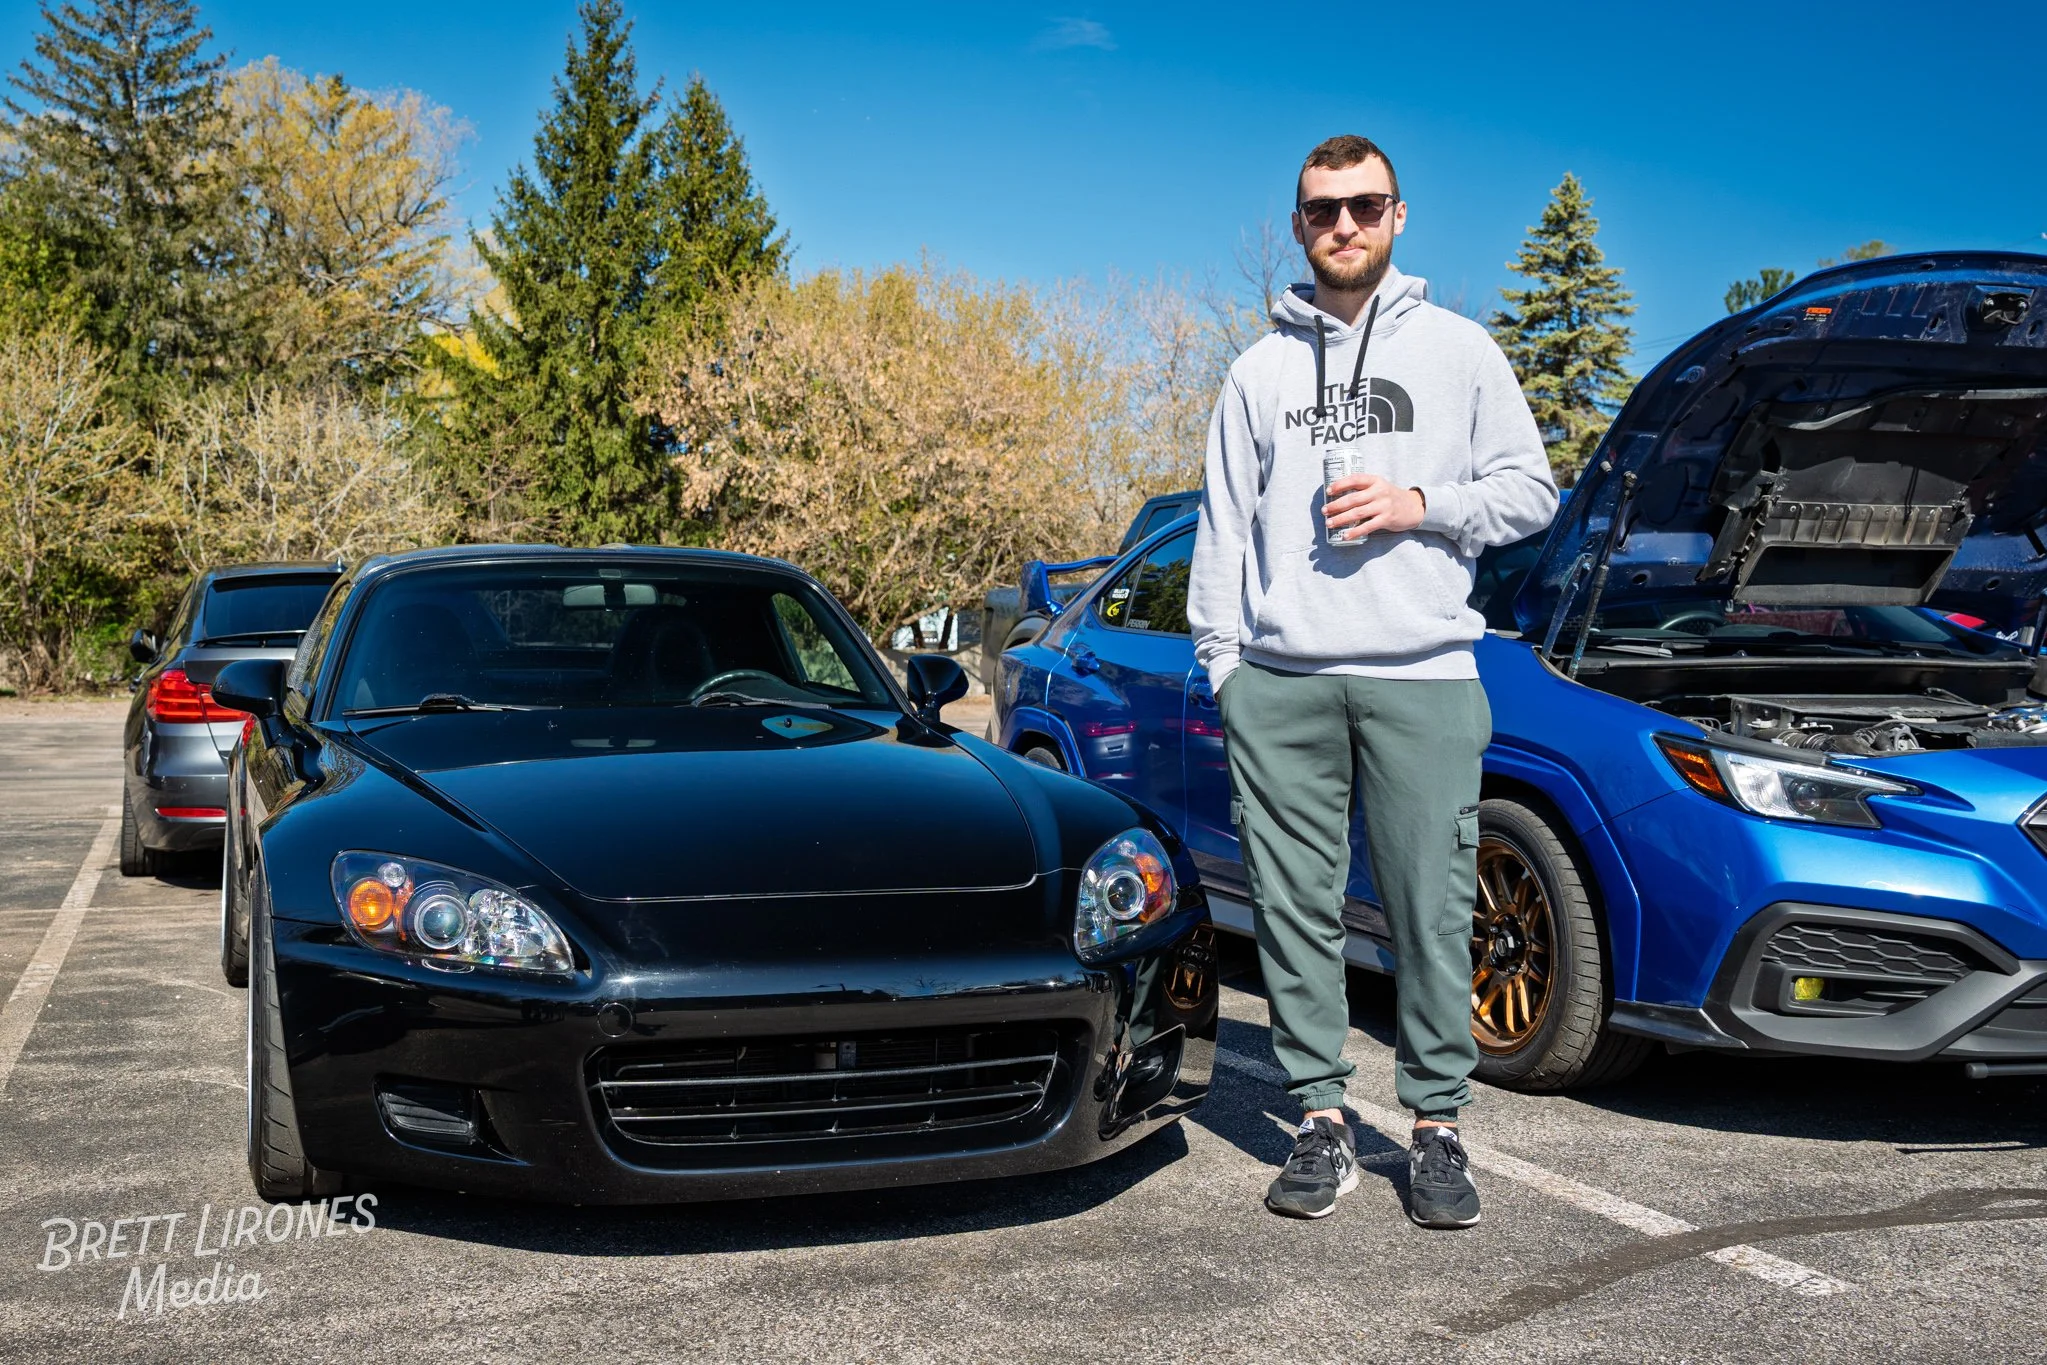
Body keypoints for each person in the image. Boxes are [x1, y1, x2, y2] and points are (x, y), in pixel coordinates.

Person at [1187, 134, 1557, 1228]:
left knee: (1431, 912)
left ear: (1399, 217)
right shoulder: (1256, 371)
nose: (1340, 225)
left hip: (1424, 675)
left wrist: (1420, 505)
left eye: (1361, 206)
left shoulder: (1459, 351)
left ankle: (1437, 1127)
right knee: (1294, 913)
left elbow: (1530, 492)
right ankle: (1318, 1120)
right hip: (1283, 682)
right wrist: (1225, 670)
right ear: (1297, 227)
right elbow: (1221, 529)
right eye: (1318, 210)